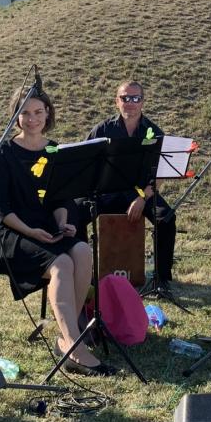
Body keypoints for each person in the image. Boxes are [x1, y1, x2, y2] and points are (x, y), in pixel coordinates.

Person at [0, 87, 115, 375]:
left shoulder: (55, 150)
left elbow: (60, 199)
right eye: (25, 113)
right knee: (61, 264)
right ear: (16, 117)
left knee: (81, 251)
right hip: (11, 231)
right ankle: (75, 348)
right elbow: (1, 211)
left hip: (46, 227)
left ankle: (68, 335)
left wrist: (62, 223)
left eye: (38, 112)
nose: (32, 119)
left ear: (48, 114)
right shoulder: (3, 154)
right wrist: (31, 232)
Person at [85, 80, 177, 294]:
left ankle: (161, 278)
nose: (130, 102)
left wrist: (142, 198)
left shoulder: (154, 132)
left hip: (141, 192)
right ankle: (85, 276)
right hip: (106, 192)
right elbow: (86, 162)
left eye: (135, 98)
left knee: (167, 218)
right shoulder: (102, 129)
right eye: (125, 98)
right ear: (117, 101)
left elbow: (160, 174)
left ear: (142, 102)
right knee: (76, 215)